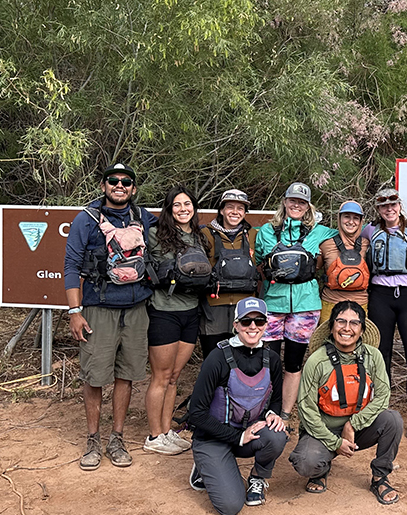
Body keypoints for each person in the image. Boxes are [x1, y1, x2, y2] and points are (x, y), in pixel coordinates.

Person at [63, 162, 156, 470]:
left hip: (136, 308)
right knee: (94, 376)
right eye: (113, 181)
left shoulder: (143, 218)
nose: (120, 185)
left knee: (126, 374)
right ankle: (93, 439)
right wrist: (75, 312)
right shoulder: (85, 220)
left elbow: (174, 231)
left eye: (126, 181)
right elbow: (71, 267)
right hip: (98, 308)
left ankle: (116, 438)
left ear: (133, 188)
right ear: (103, 185)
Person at [289, 301, 403, 505]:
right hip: (322, 432)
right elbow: (306, 409)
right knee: (306, 463)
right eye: (340, 321)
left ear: (362, 329)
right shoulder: (317, 361)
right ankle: (321, 469)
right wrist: (335, 443)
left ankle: (380, 477)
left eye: (354, 323)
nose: (346, 328)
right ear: (332, 326)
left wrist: (353, 424)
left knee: (392, 420)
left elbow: (383, 395)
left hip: (358, 429)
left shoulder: (373, 356)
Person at [186, 298, 288, 515]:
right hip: (213, 437)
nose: (253, 327)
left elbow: (277, 399)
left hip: (247, 435)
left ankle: (258, 478)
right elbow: (195, 413)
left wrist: (273, 414)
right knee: (230, 506)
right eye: (246, 321)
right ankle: (205, 467)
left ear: (266, 324)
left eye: (259, 321)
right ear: (236, 325)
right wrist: (237, 437)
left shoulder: (272, 359)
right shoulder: (217, 358)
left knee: (277, 435)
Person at [253, 182, 335, 419]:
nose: (296, 205)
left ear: (308, 206)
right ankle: (265, 408)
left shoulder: (319, 231)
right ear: (285, 202)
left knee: (294, 363)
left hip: (305, 306)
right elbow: (260, 260)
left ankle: (285, 413)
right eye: (292, 201)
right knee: (267, 361)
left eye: (301, 202)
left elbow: (346, 233)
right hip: (273, 303)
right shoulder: (267, 231)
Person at [362, 187, 407, 448]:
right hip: (379, 296)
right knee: (381, 357)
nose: (389, 209)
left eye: (393, 205)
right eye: (383, 206)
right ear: (378, 209)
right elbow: (352, 246)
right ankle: (383, 415)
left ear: (399, 206)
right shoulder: (370, 230)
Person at [143, 185, 210, 455]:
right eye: (177, 205)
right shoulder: (155, 235)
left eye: (188, 204)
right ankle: (154, 435)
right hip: (163, 310)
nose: (183, 209)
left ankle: (167, 430)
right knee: (160, 376)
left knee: (173, 377)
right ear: (169, 209)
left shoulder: (199, 237)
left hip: (191, 310)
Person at [199, 189, 261, 357]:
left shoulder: (253, 235)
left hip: (245, 306)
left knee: (242, 355)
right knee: (213, 355)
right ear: (221, 210)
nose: (235, 212)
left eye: (240, 208)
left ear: (245, 212)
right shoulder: (205, 234)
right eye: (230, 207)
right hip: (214, 305)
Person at [319, 200, 371, 323]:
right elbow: (313, 271)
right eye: (347, 217)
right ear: (339, 218)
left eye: (356, 218)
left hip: (361, 303)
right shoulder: (326, 244)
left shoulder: (368, 244)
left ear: (361, 221)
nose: (351, 222)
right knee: (326, 340)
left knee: (356, 340)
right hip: (330, 302)